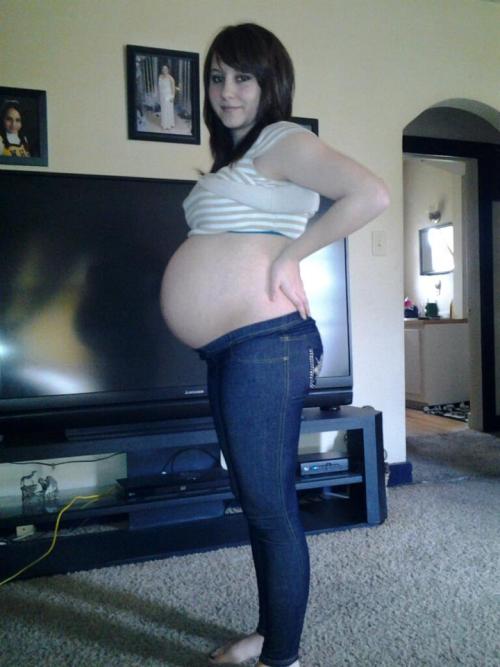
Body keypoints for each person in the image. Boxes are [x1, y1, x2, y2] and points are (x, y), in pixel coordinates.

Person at [160, 23, 390, 667]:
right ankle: (269, 633)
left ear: (270, 84)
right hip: (234, 347)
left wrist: (294, 254)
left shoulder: (284, 140)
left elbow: (370, 194)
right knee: (260, 502)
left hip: (266, 344)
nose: (227, 92)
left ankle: (281, 655)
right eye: (216, 77)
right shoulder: (240, 158)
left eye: (243, 77)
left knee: (270, 506)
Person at [158, 64, 176, 130]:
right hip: (162, 96)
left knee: (168, 110)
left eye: (166, 69)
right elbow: (159, 87)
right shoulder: (160, 76)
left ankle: (169, 124)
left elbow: (173, 88)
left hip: (168, 96)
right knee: (163, 110)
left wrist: (173, 97)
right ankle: (164, 123)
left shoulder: (171, 78)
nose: (164, 70)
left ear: (168, 70)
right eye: (163, 69)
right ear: (161, 70)